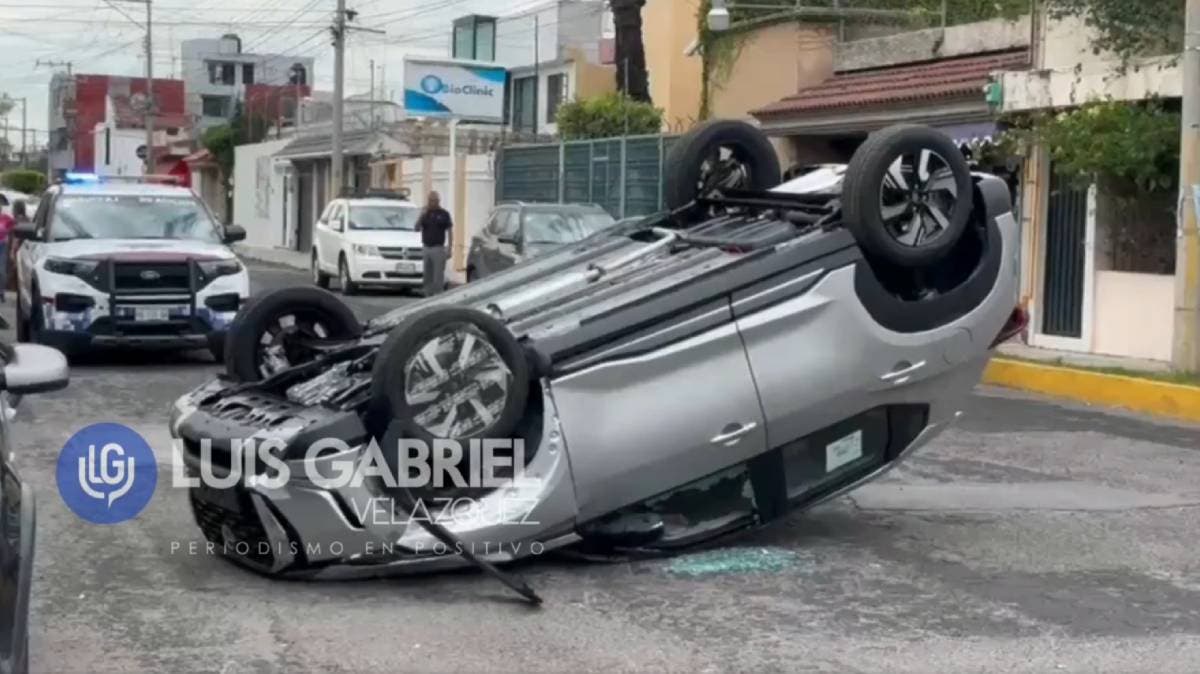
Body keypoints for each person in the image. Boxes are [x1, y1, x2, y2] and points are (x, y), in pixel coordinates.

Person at [415, 191, 453, 297]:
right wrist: (422, 215)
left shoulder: (444, 214)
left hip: (438, 248)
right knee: (427, 275)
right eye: (430, 201)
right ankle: (427, 296)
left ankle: (438, 296)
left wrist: (449, 248)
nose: (432, 203)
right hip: (427, 248)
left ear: (438, 201)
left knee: (438, 276)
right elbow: (416, 228)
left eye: (434, 201)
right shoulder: (425, 214)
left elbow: (449, 231)